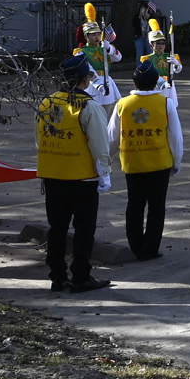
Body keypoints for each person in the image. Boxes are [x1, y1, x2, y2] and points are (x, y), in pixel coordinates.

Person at [36, 55, 114, 293]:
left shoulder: (46, 102)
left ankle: (57, 276)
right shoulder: (89, 106)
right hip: (81, 178)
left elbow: (39, 139)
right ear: (85, 79)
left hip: (52, 175)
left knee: (57, 228)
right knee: (83, 230)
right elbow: (100, 146)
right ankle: (81, 276)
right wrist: (105, 173)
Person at [109, 65, 183, 261]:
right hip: (159, 162)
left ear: (134, 83)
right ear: (156, 82)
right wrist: (177, 161)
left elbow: (112, 136)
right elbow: (175, 136)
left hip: (132, 162)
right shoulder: (165, 103)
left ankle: (135, 247)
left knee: (134, 204)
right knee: (156, 207)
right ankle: (150, 248)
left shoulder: (122, 104)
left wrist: (106, 160)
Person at [138, 24, 182, 99]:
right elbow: (149, 74)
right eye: (158, 43)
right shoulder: (147, 59)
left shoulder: (170, 56)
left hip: (169, 84)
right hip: (155, 85)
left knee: (170, 104)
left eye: (163, 43)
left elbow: (177, 70)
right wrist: (162, 82)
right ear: (151, 45)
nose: (161, 45)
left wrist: (176, 64)